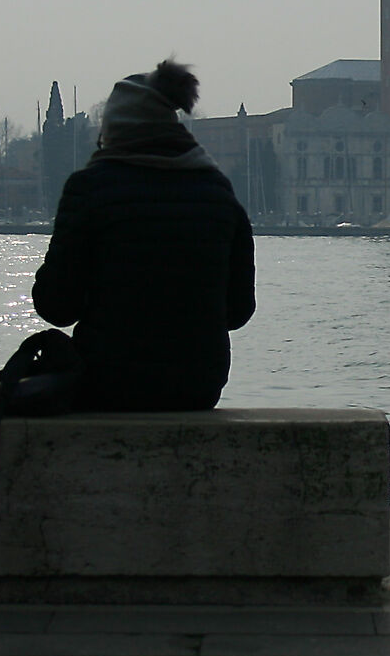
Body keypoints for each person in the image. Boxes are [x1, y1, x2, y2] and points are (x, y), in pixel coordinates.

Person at [31, 59, 254, 411]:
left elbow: (56, 306)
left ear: (114, 131)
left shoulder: (89, 188)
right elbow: (238, 311)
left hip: (107, 380)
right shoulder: (218, 192)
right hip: (199, 385)